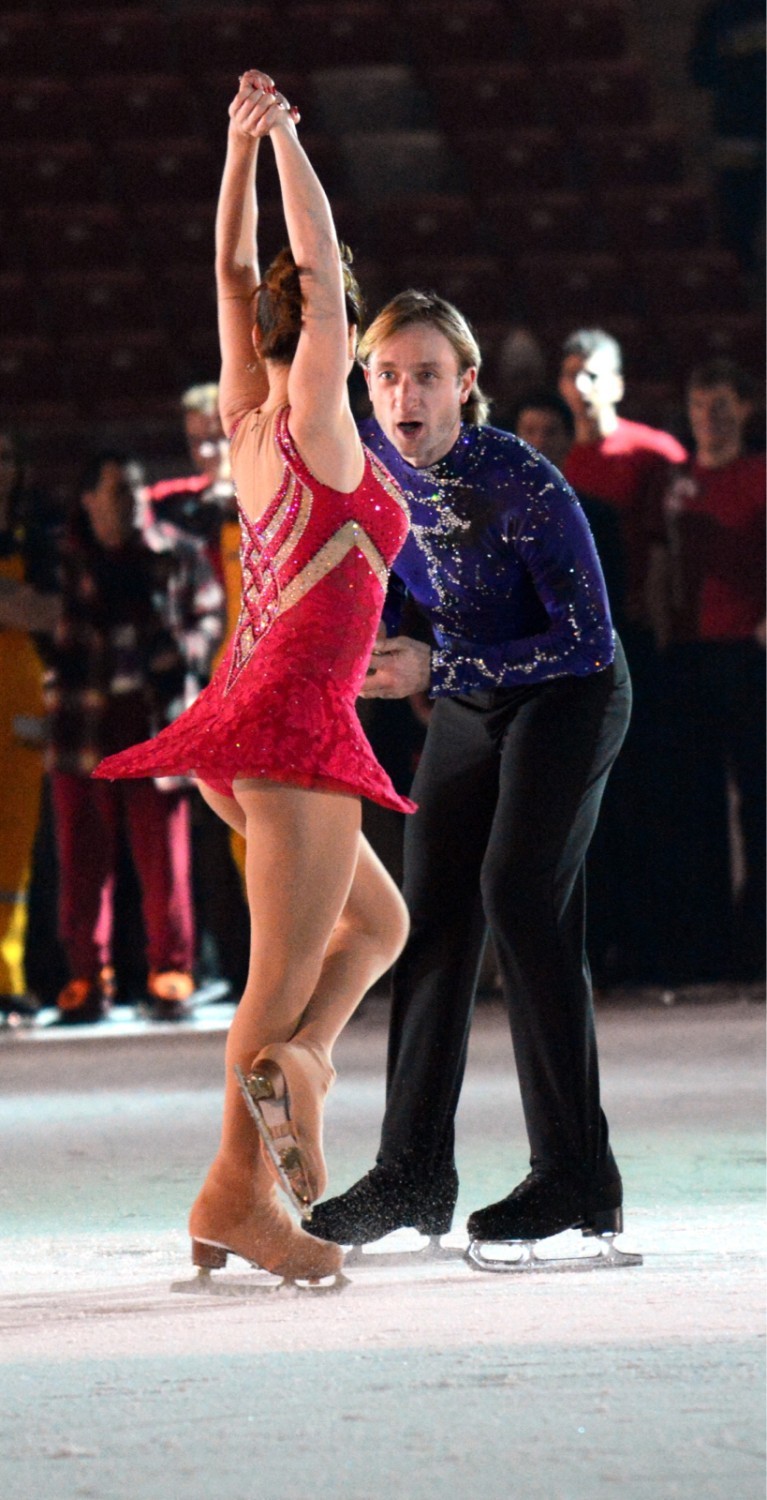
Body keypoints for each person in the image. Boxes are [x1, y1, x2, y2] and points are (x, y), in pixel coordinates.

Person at [94, 73, 412, 1284]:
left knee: (375, 924)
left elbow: (235, 275)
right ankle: (239, 1195)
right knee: (274, 983)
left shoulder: (241, 419)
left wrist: (234, 155)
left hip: (241, 723)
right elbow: (310, 265)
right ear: (334, 332)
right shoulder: (321, 420)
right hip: (292, 725)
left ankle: (294, 1084)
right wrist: (282, 140)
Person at [307, 291, 632, 1252]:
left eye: (427, 375)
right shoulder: (364, 464)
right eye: (387, 375)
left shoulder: (520, 481)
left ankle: (575, 1176)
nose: (406, 394)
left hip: (570, 693)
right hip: (468, 695)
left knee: (519, 896)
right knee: (430, 914)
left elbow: (586, 639)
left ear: (466, 385)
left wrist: (435, 666)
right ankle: (412, 1173)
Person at [46, 452, 224, 1024]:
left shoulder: (175, 551)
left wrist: (181, 654)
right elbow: (48, 628)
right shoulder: (64, 559)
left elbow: (210, 615)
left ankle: (170, 969)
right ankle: (85, 975)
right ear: (89, 500)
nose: (128, 501)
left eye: (135, 490)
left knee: (164, 856)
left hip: (153, 717)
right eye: (116, 491)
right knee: (82, 856)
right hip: (82, 721)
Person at [558, 328, 687, 983]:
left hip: (636, 643)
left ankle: (652, 942)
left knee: (646, 796)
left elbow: (668, 551)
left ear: (617, 383)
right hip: (565, 653)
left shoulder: (654, 452)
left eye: (593, 375)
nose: (581, 388)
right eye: (571, 375)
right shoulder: (555, 463)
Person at [654, 359, 765, 980]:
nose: (709, 417)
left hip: (745, 655)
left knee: (757, 801)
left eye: (721, 405)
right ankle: (704, 946)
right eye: (699, 405)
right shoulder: (678, 480)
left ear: (746, 409)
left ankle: (756, 947)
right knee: (691, 804)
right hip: (686, 656)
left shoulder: (760, 475)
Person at [0, 429, 60, 1022]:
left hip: (19, 698)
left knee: (15, 841)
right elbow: (25, 605)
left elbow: (50, 611)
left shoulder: (34, 536)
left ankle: (7, 974)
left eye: (7, 456)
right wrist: (13, 599)